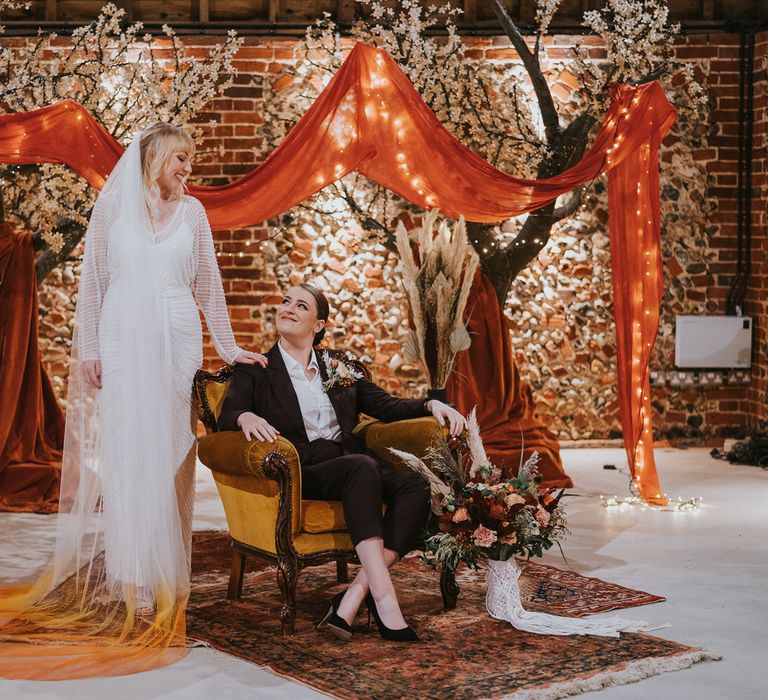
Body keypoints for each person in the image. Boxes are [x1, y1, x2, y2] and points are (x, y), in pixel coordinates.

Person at [0, 123, 265, 679]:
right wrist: (91, 347)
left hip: (175, 337)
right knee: (124, 455)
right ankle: (131, 576)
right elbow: (93, 284)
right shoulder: (112, 209)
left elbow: (208, 287)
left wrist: (229, 345)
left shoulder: (193, 215)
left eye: (191, 160)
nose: (187, 168)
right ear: (152, 158)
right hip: (121, 335)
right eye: (179, 159)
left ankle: (165, 571)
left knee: (166, 451)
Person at [218, 283, 466, 642]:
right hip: (302, 470)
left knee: (415, 485)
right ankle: (386, 600)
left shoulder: (339, 365)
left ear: (318, 325)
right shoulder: (256, 368)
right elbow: (229, 413)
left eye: (301, 306)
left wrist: (431, 404)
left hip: (349, 462)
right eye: (285, 302)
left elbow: (386, 405)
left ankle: (352, 597)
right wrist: (244, 418)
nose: (287, 308)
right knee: (362, 468)